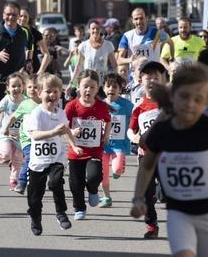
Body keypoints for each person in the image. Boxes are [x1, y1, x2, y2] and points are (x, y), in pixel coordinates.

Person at [130, 63, 208, 257]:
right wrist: (138, 198)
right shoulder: (162, 130)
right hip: (179, 213)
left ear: (205, 103)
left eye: (198, 99)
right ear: (173, 97)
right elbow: (146, 165)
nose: (190, 104)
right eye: (184, 96)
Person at [25, 73, 81, 235]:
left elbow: (65, 131)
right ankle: (35, 218)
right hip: (38, 162)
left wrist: (74, 146)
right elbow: (35, 135)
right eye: (48, 91)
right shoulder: (37, 113)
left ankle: (61, 213)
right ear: (40, 93)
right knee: (34, 198)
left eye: (56, 91)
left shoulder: (61, 113)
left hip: (56, 158)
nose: (52, 95)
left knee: (56, 182)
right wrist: (52, 132)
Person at [127, 60, 168, 239]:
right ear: (141, 80)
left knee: (166, 194)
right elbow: (130, 129)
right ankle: (152, 226)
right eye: (148, 76)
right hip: (146, 155)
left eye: (156, 77)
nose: (152, 80)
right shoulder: (139, 106)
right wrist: (134, 137)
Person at [65, 70, 111, 220]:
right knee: (75, 183)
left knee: (94, 176)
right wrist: (72, 132)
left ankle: (92, 190)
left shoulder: (102, 106)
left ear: (98, 89)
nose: (88, 90)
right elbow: (64, 127)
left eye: (92, 87)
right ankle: (79, 208)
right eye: (85, 86)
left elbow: (108, 120)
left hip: (94, 149)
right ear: (78, 87)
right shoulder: (71, 106)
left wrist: (106, 135)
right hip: (76, 149)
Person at [0, 3, 33, 104]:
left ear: (18, 16)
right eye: (8, 14)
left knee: (21, 109)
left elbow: (30, 46)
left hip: (20, 79)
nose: (11, 17)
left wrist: (29, 61)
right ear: (3, 15)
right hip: (0, 80)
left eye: (14, 15)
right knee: (3, 110)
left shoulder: (25, 32)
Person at [0, 73, 27, 190]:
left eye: (19, 86)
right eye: (13, 86)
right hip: (6, 134)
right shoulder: (6, 100)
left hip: (20, 136)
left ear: (23, 87)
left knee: (18, 160)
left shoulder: (26, 102)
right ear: (7, 88)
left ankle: (14, 180)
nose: (16, 89)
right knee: (7, 155)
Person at [100, 73, 133, 208]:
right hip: (103, 144)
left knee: (117, 169)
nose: (111, 89)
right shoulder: (100, 105)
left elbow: (135, 117)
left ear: (120, 89)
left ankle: (119, 168)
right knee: (103, 174)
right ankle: (107, 197)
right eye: (108, 86)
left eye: (114, 87)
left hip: (119, 143)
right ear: (103, 88)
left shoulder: (127, 105)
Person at [4, 74, 41, 194]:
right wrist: (6, 128)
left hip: (41, 139)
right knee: (30, 158)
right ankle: (22, 181)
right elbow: (13, 117)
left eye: (35, 87)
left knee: (41, 161)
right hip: (27, 139)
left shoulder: (45, 103)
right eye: (29, 87)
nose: (32, 90)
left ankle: (39, 181)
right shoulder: (25, 104)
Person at [69, 21, 117, 88]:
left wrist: (116, 82)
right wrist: (71, 83)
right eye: (93, 28)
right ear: (89, 30)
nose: (95, 30)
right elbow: (78, 66)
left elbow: (114, 65)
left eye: (97, 28)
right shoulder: (83, 46)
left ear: (100, 30)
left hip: (102, 84)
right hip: (87, 84)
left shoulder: (108, 45)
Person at [18, 9, 50, 75]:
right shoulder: (11, 31)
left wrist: (40, 71)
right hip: (16, 69)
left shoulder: (35, 33)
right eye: (20, 16)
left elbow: (46, 54)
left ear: (29, 18)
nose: (23, 18)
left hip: (32, 68)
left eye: (25, 16)